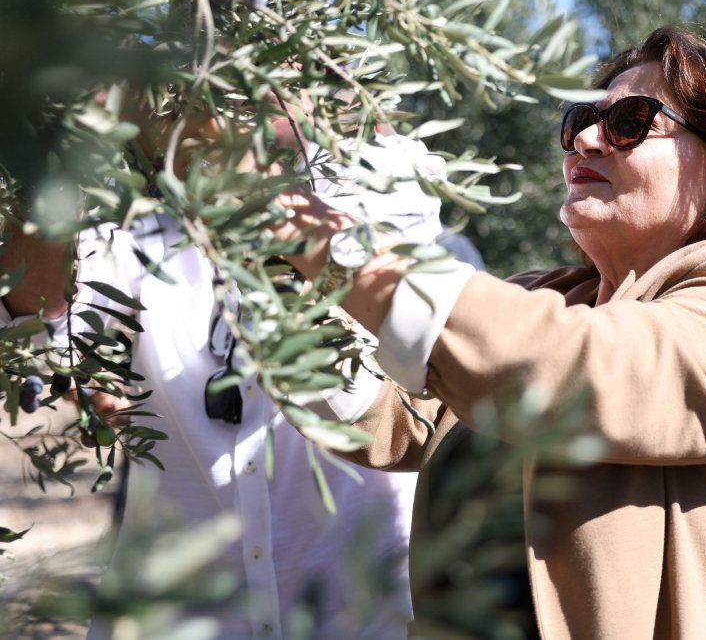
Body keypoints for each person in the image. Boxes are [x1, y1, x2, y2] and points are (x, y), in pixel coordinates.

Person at [272, 27, 706, 638]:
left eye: (631, 122)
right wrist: (266, 247)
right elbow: (389, 418)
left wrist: (316, 233)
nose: (587, 140)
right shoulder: (545, 296)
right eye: (578, 122)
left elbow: (577, 367)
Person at [0, 133, 448, 639]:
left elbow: (399, 315)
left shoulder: (382, 172)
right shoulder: (138, 206)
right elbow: (33, 334)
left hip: (354, 612)